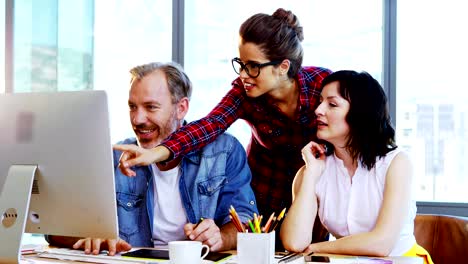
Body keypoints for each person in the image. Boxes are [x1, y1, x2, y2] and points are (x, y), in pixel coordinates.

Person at [114, 9, 332, 244]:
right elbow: (210, 125)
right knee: (264, 248)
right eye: (241, 64)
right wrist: (155, 153)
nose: (244, 75)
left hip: (315, 183)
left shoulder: (322, 87)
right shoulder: (244, 93)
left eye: (253, 66)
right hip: (266, 183)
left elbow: (356, 127)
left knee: (310, 248)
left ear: (283, 66)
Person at [47, 62, 258, 255]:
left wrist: (221, 237)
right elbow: (54, 228)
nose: (137, 119)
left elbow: (246, 220)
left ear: (181, 108)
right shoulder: (113, 158)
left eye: (150, 107)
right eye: (132, 106)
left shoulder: (224, 150)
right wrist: (93, 237)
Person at [280, 71, 433, 264]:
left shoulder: (396, 163)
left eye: (332, 104)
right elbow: (294, 243)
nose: (318, 110)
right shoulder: (314, 169)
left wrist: (317, 248)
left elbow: (381, 243)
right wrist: (311, 174)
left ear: (361, 113)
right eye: (320, 102)